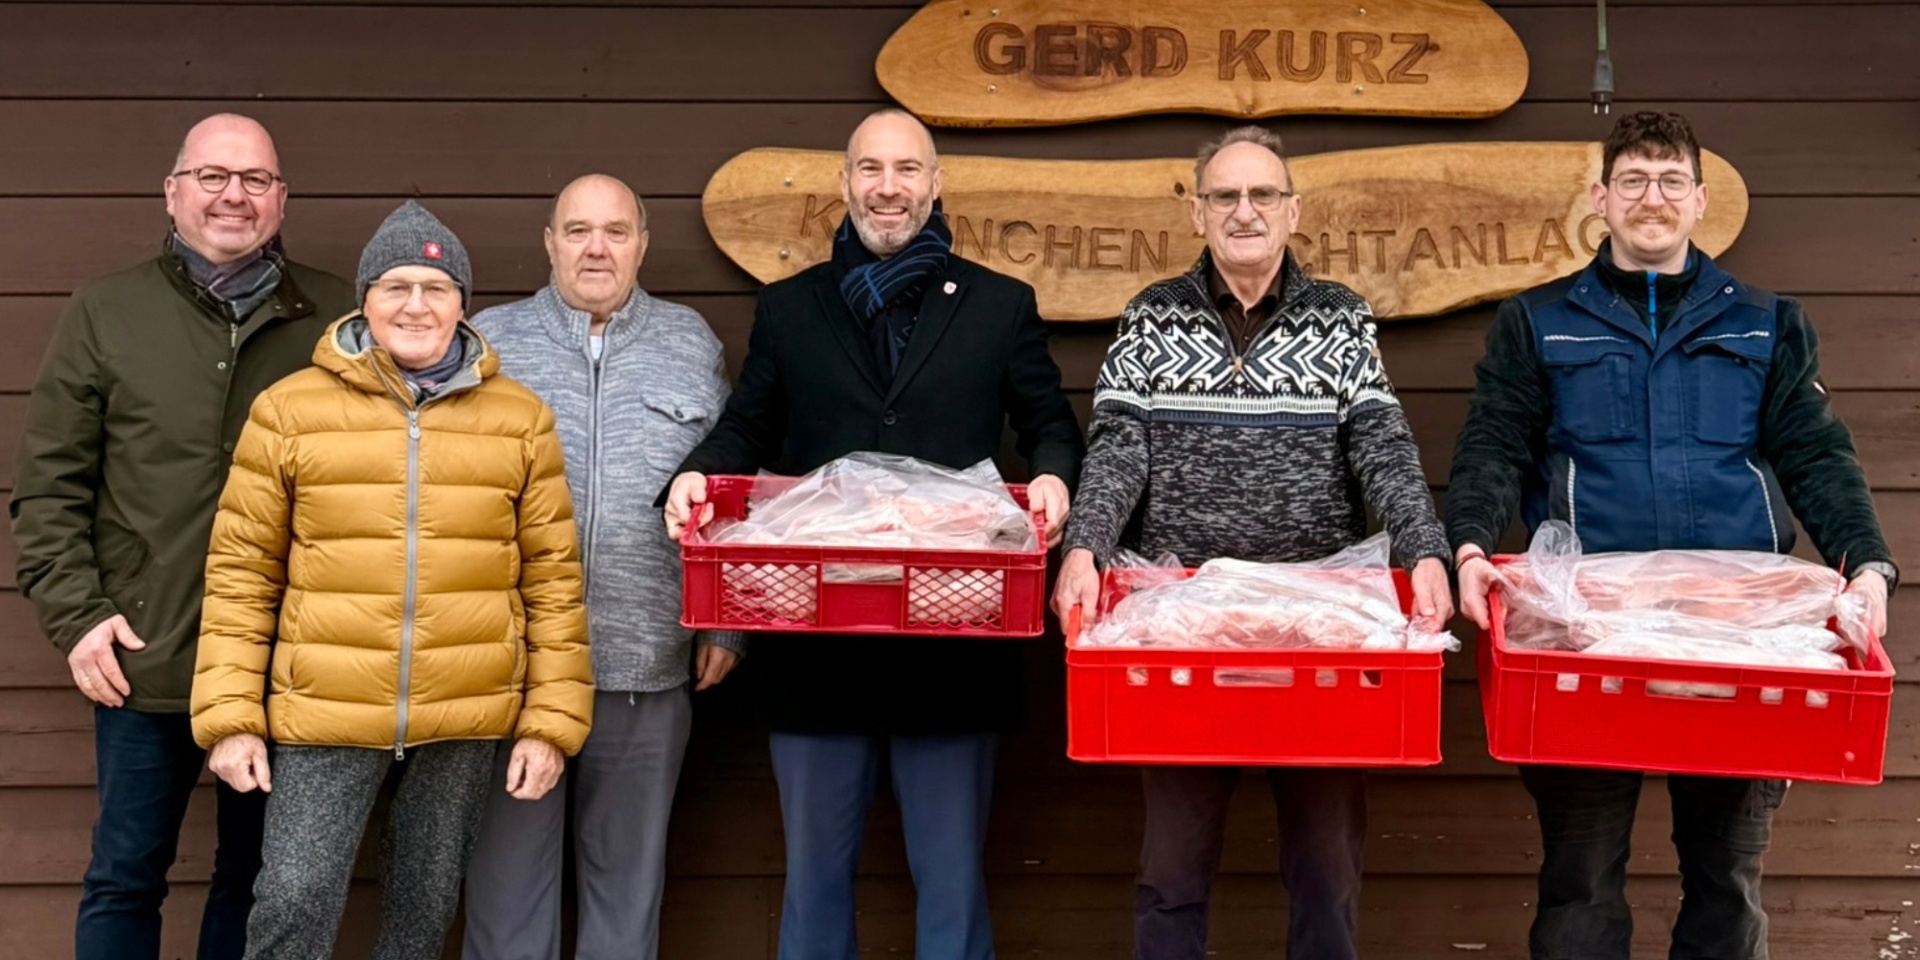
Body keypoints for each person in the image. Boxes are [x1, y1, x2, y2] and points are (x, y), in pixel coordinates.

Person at [1446, 110, 1896, 960]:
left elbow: (1816, 453)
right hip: (1585, 636)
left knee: (1727, 879)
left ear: (1698, 201)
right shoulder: (1538, 321)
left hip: (1738, 637)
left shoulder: (1766, 322)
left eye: (1669, 181)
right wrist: (1468, 544)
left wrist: (1867, 564)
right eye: (1633, 180)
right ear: (1601, 200)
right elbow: (1494, 442)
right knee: (1580, 876)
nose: (1651, 197)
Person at [662, 109, 1084, 960]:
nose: (887, 188)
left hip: (956, 638)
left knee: (951, 877)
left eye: (905, 170)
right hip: (819, 640)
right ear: (846, 184)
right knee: (814, 878)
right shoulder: (790, 308)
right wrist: (695, 472)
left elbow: (1052, 426)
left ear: (935, 184)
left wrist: (1053, 476)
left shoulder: (1000, 305)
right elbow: (749, 427)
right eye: (869, 169)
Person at [1052, 125, 1453, 960]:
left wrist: (1424, 551)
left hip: (1321, 638)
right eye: (1225, 196)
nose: (1245, 210)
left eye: (1262, 194)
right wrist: (1084, 547)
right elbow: (1119, 446)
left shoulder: (1339, 318)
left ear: (1292, 211)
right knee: (1171, 870)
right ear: (1198, 213)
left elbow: (1381, 446)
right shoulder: (1152, 316)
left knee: (1326, 869)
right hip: (1180, 636)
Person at [189, 201, 595, 960]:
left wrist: (549, 723)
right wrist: (231, 714)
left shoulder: (520, 419)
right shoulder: (288, 412)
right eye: (396, 287)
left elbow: (553, 584)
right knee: (293, 897)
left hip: (465, 711)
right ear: (365, 300)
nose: (416, 305)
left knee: (425, 906)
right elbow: (241, 574)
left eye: (436, 289)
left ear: (462, 305)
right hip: (323, 706)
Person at [9, 113, 354, 960]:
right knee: (126, 872)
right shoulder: (105, 311)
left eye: (255, 180)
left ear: (282, 200)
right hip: (144, 647)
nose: (234, 195)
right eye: (212, 176)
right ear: (173, 192)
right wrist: (78, 615)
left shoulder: (342, 315)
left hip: (290, 654)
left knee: (263, 876)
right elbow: (49, 485)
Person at [462, 173, 744, 960]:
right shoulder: (491, 341)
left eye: (616, 231)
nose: (596, 248)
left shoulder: (690, 340)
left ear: (642, 246)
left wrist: (723, 619)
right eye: (577, 230)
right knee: (507, 897)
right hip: (508, 669)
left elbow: (722, 488)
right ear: (549, 243)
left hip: (645, 664)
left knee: (626, 896)